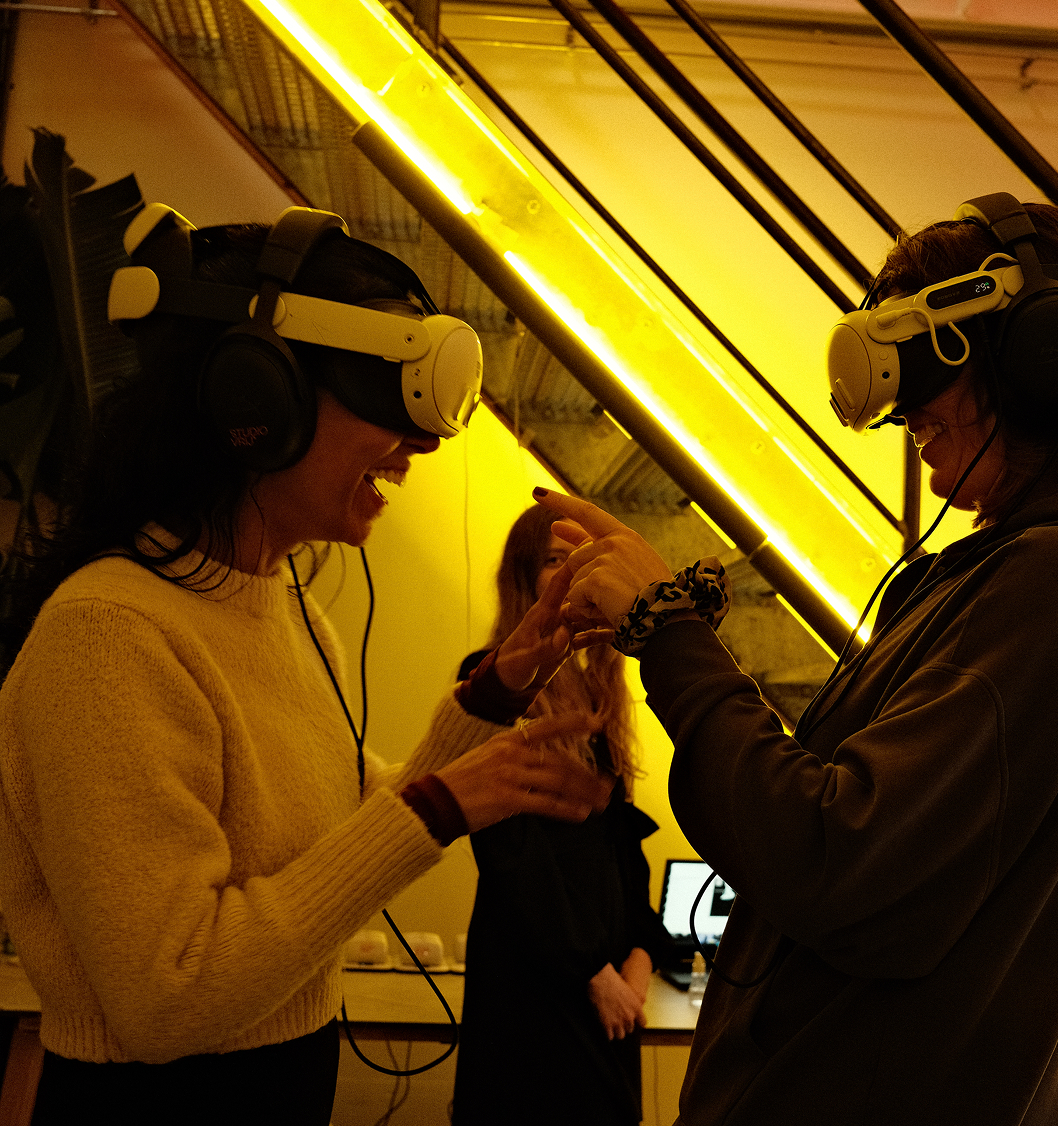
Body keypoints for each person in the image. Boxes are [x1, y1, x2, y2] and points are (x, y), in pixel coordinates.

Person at [0, 206, 610, 1126]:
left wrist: (497, 690)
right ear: (258, 399)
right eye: (380, 402)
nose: (416, 449)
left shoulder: (287, 610)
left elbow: (345, 831)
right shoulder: (108, 634)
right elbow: (166, 995)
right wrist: (442, 806)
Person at [537, 197, 1058, 1125]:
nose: (920, 440)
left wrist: (667, 632)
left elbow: (834, 857)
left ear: (1041, 365)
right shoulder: (994, 572)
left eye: (931, 402)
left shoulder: (1051, 581)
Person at [452, 504, 669, 1126]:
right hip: (534, 981)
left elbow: (621, 844)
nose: (574, 574)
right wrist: (591, 971)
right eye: (555, 560)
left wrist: (639, 952)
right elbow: (509, 853)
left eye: (584, 558)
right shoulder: (493, 678)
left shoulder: (603, 693)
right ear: (525, 578)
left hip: (608, 980)